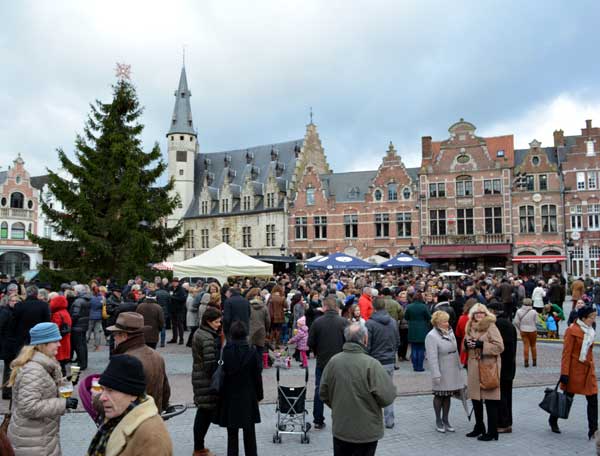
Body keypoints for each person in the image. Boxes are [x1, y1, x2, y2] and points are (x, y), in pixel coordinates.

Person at [320, 323, 396, 456]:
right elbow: (387, 396)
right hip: (366, 430)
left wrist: (339, 405)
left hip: (342, 427)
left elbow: (323, 392)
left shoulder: (334, 362)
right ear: (365, 339)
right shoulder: (371, 364)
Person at [7, 322, 78, 455]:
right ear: (43, 343)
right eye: (55, 341)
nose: (59, 344)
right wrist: (63, 403)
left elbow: (44, 385)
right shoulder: (34, 370)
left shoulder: (42, 362)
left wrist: (68, 381)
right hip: (32, 441)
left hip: (38, 436)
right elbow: (28, 406)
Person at [87, 354, 173, 455]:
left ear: (132, 394)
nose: (102, 398)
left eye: (110, 390)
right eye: (103, 389)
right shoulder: (119, 414)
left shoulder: (151, 436)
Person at [549, 305, 598, 439]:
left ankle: (593, 430)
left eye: (594, 317)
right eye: (591, 317)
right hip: (574, 371)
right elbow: (566, 353)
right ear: (583, 317)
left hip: (588, 371)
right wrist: (564, 373)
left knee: (593, 399)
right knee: (566, 399)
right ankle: (553, 419)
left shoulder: (590, 330)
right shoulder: (572, 330)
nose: (594, 320)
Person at [106, 312, 171, 412]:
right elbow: (165, 391)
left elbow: (116, 398)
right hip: (153, 416)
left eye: (115, 334)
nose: (114, 338)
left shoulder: (125, 360)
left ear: (124, 335)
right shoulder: (157, 356)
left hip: (132, 419)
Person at [216, 321, 263, 456]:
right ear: (245, 334)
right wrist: (259, 395)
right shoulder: (252, 351)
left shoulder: (226, 351)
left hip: (230, 396)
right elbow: (257, 377)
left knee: (232, 434)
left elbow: (222, 373)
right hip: (248, 395)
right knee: (249, 432)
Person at [464, 303, 504, 441]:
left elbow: (500, 347)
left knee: (491, 400)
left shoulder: (491, 326)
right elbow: (466, 341)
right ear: (472, 315)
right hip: (474, 366)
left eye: (481, 312)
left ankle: (493, 431)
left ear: (486, 313)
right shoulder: (469, 326)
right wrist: (466, 345)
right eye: (476, 313)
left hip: (488, 367)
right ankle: (479, 426)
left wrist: (482, 345)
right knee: (476, 398)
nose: (479, 315)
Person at [308, 296, 349, 430]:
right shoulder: (344, 322)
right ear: (337, 307)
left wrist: (317, 351)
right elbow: (349, 341)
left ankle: (318, 420)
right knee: (341, 390)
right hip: (341, 361)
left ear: (324, 307)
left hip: (323, 361)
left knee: (320, 390)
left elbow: (310, 343)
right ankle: (342, 418)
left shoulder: (317, 322)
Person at [425, 310, 464, 433]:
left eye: (447, 321)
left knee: (447, 396)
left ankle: (446, 420)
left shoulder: (450, 332)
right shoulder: (431, 336)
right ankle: (438, 420)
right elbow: (432, 357)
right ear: (437, 323)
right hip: (441, 369)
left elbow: (456, 350)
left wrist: (459, 366)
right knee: (439, 395)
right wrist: (436, 374)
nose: (447, 323)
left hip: (451, 369)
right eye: (444, 321)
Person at [192, 307, 223, 456]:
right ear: (208, 322)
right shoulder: (207, 337)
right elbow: (210, 364)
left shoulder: (202, 332)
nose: (219, 324)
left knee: (204, 412)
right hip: (205, 379)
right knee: (204, 413)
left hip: (200, 377)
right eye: (217, 322)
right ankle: (199, 449)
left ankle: (199, 447)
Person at [365, 297, 400, 429]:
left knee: (373, 391)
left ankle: (374, 419)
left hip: (375, 361)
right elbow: (397, 341)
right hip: (389, 360)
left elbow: (367, 345)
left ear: (373, 307)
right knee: (387, 390)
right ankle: (389, 419)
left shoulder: (370, 324)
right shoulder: (392, 322)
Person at [486, 301, 516, 434]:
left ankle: (503, 423)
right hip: (509, 365)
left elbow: (498, 347)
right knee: (506, 395)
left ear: (492, 311)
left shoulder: (498, 324)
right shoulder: (508, 323)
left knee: (501, 395)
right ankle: (507, 421)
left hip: (502, 366)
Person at [14, 285, 51, 350]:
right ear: (37, 294)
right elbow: (47, 322)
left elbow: (14, 322)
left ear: (27, 293)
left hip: (22, 336)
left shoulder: (19, 305)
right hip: (38, 336)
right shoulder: (44, 305)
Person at [404, 292, 431, 372]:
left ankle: (415, 366)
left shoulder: (409, 306)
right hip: (422, 328)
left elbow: (406, 317)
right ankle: (420, 366)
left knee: (414, 348)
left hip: (412, 328)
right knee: (421, 349)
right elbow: (429, 317)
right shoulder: (424, 306)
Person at [0, 294, 20, 399]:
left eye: (17, 301)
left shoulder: (15, 312)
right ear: (8, 302)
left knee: (11, 369)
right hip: (8, 345)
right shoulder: (5, 312)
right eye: (13, 301)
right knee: (9, 369)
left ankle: (8, 390)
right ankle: (6, 392)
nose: (15, 302)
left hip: (13, 344)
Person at [49, 295, 72, 376]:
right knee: (63, 362)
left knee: (59, 362)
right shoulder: (65, 312)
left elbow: (55, 328)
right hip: (66, 339)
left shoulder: (57, 314)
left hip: (60, 341)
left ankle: (61, 378)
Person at [248, 288, 271, 369]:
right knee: (259, 350)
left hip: (250, 330)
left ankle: (250, 366)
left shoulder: (248, 306)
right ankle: (259, 366)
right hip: (261, 330)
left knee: (249, 349)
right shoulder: (264, 307)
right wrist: (267, 330)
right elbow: (268, 321)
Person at [70, 284, 91, 370]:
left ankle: (81, 363)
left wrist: (70, 322)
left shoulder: (78, 301)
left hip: (77, 326)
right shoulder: (86, 300)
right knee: (82, 345)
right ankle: (83, 362)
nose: (73, 292)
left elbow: (75, 314)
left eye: (74, 290)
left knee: (79, 345)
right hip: (83, 325)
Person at [513, 298, 538, 367]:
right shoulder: (534, 312)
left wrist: (520, 328)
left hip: (523, 330)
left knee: (525, 346)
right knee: (533, 346)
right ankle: (534, 361)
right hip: (533, 330)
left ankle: (526, 361)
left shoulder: (519, 311)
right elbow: (536, 322)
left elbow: (516, 321)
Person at [168, 277, 187, 345]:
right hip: (172, 309)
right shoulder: (170, 288)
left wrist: (173, 297)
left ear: (178, 282)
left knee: (180, 325)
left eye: (175, 282)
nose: (174, 283)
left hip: (180, 310)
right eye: (173, 282)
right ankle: (174, 338)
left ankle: (181, 339)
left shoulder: (181, 289)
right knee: (173, 325)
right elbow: (169, 296)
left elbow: (183, 299)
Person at [87, 286, 104, 351]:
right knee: (97, 332)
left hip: (91, 316)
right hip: (99, 316)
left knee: (88, 331)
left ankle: (85, 342)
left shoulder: (90, 298)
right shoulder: (102, 298)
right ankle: (97, 347)